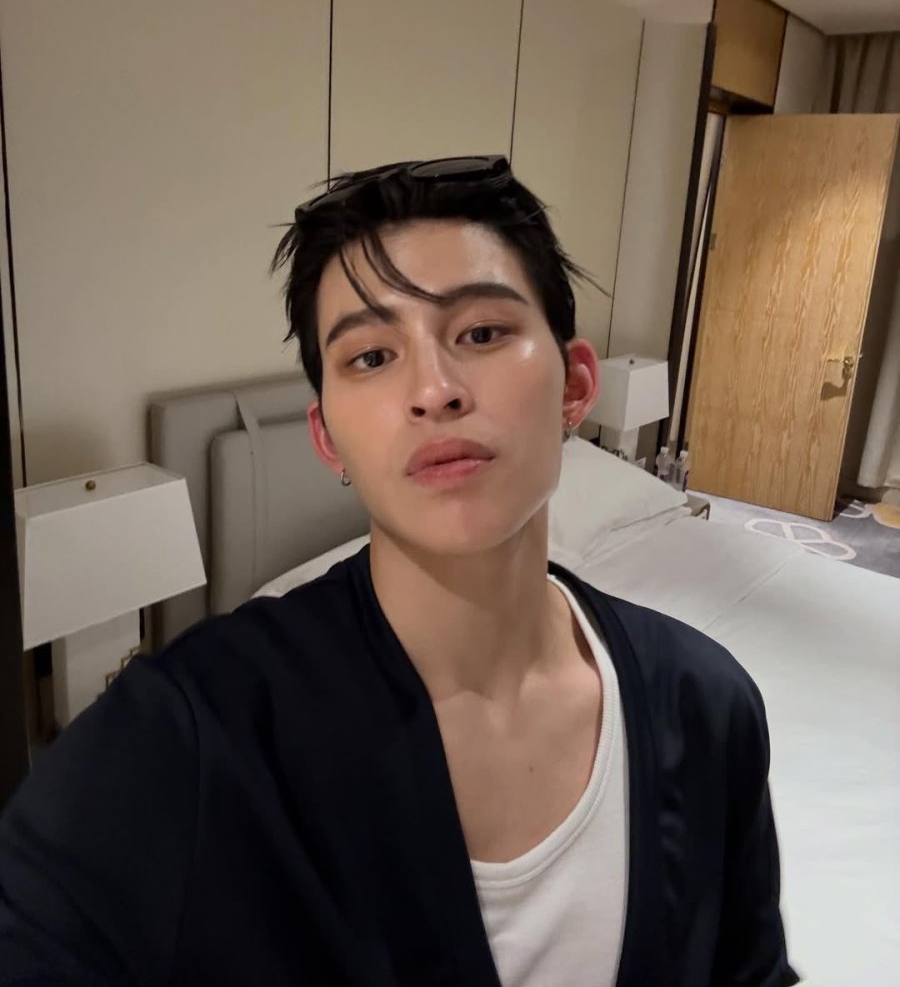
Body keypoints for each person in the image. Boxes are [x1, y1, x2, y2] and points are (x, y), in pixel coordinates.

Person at [0, 156, 798, 986]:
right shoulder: (189, 736)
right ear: (327, 439)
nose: (434, 390)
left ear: (576, 385)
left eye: (481, 334)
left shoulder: (705, 704)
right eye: (372, 356)